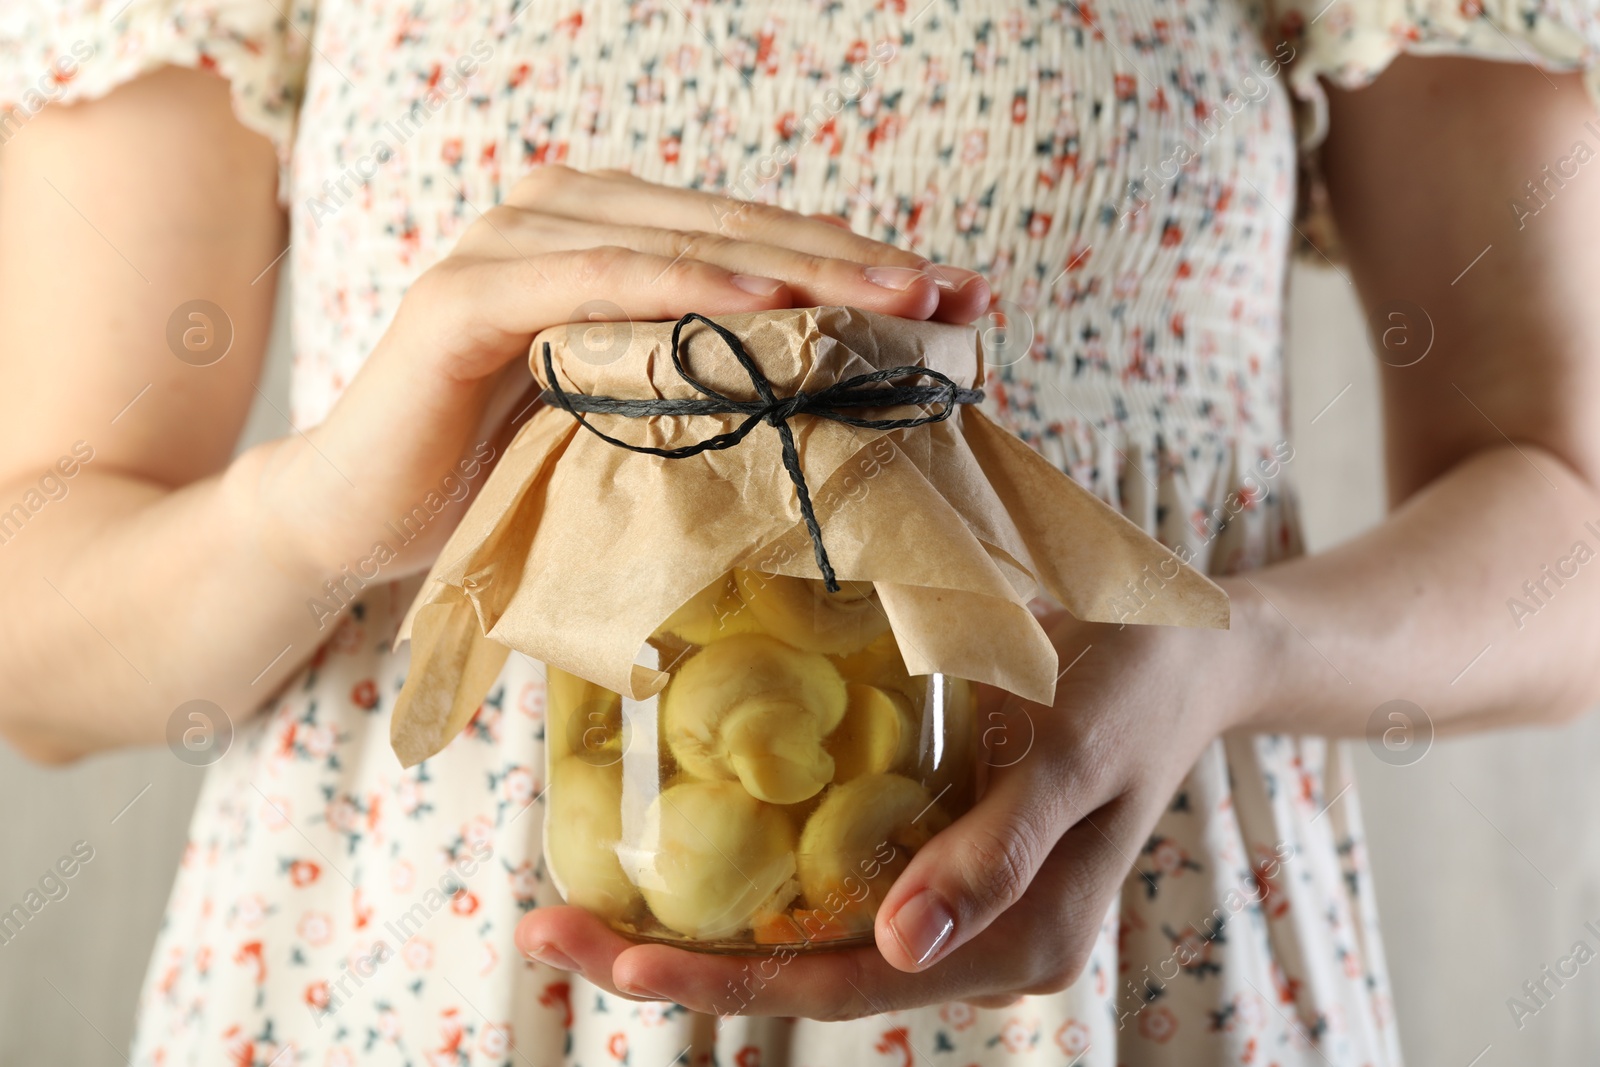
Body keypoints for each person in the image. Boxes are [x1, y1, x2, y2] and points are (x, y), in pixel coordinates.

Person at [4, 0, 1600, 1062]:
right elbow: (34, 642)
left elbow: (1565, 532)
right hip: (403, 997)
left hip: (1131, 976)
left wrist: (1220, 657)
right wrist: (321, 512)